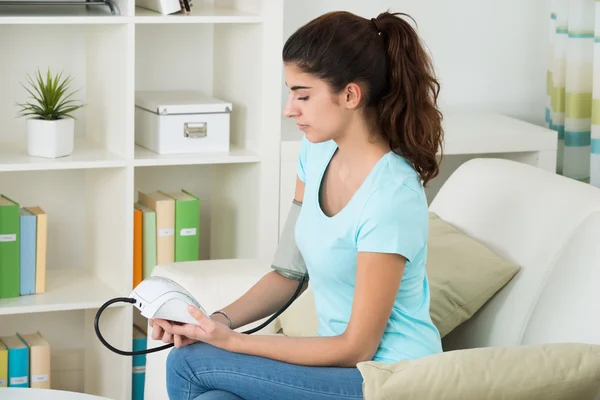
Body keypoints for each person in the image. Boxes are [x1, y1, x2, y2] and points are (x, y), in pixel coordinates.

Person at [150, 9, 444, 400]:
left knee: (188, 364)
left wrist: (232, 342)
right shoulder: (316, 153)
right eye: (291, 93)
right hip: (342, 371)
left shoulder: (392, 196)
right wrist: (209, 322)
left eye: (303, 95)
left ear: (351, 95)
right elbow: (287, 274)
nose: (290, 109)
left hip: (390, 380)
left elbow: (357, 346)